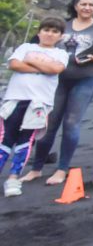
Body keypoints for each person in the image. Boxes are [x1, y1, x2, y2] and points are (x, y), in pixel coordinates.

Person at [20, 0, 93, 185]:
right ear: (75, 6)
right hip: (56, 79)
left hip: (87, 78)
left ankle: (62, 169)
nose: (87, 8)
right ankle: (36, 168)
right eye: (84, 4)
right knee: (48, 123)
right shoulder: (62, 24)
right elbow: (36, 43)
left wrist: (92, 58)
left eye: (91, 5)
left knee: (72, 123)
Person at [1, 17, 68, 197]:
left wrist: (31, 62)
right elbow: (14, 64)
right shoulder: (25, 48)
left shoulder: (61, 54)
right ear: (39, 32)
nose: (49, 34)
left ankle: (14, 177)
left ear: (60, 36)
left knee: (25, 140)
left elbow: (56, 69)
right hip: (15, 99)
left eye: (55, 31)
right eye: (46, 30)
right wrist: (42, 68)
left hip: (39, 103)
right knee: (5, 138)